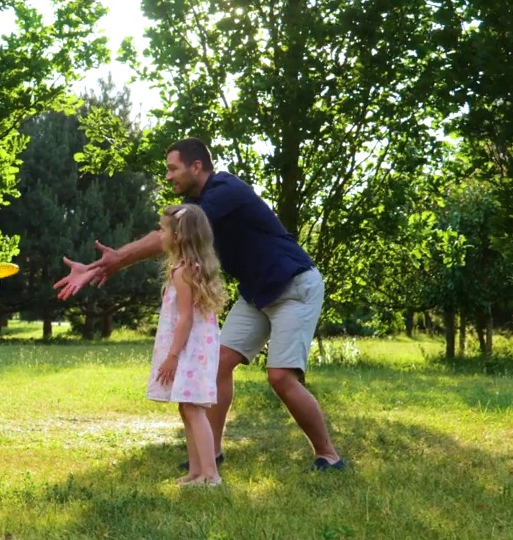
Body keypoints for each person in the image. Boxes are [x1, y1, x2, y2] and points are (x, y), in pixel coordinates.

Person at [55, 137, 345, 472]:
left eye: (172, 168)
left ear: (196, 166)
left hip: (295, 285)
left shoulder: (224, 190)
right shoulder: (201, 203)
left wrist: (112, 261)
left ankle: (328, 456)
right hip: (257, 293)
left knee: (280, 377)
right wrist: (101, 266)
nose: (168, 177)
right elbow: (171, 234)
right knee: (218, 364)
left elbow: (173, 233)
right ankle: (211, 453)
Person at [147, 204, 225, 486]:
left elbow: (185, 319)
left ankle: (210, 474)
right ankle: (196, 471)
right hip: (193, 348)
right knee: (187, 407)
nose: (159, 233)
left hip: (188, 349)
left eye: (163, 229)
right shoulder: (189, 269)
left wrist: (172, 356)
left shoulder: (183, 273)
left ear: (178, 236)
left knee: (193, 408)